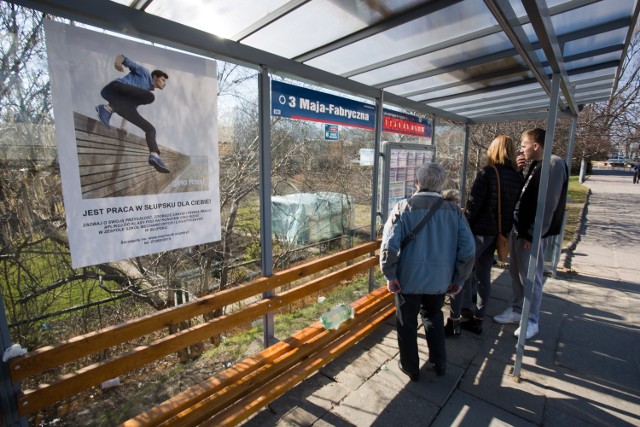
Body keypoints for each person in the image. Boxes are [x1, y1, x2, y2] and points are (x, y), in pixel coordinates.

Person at [380, 163, 475, 381]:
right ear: (441, 185)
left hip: (407, 280)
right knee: (433, 316)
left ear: (416, 183)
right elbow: (468, 249)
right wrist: (459, 278)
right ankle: (439, 362)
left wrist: (391, 275)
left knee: (406, 322)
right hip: (440, 281)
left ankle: (410, 366)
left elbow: (389, 246)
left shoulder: (403, 207)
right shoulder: (454, 211)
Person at [445, 135, 525, 336]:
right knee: (483, 276)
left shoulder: (487, 173)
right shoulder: (517, 176)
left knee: (460, 273)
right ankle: (478, 319)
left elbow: (473, 206)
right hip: (498, 234)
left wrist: (463, 226)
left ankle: (454, 320)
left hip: (478, 232)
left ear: (494, 150)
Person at [493, 128, 568, 340]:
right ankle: (518, 310)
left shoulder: (553, 164)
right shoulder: (537, 164)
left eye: (524, 145)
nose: (521, 149)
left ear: (536, 146)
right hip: (520, 230)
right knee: (516, 272)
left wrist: (533, 234)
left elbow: (548, 205)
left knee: (530, 277)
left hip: (530, 235)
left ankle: (532, 319)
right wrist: (518, 172)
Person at [95, 54, 171, 174]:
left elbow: (130, 108)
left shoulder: (141, 93)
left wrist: (122, 127)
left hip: (121, 102)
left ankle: (154, 155)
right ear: (155, 77)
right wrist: (118, 63)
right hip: (115, 89)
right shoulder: (145, 73)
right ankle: (109, 108)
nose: (164, 83)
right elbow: (123, 58)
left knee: (150, 129)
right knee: (150, 97)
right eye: (163, 80)